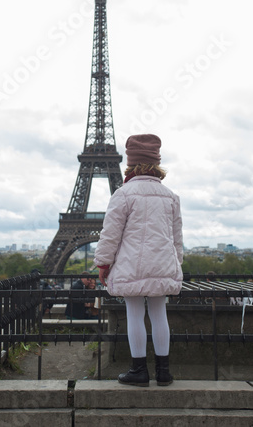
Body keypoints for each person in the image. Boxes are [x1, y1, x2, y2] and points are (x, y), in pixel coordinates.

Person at [94, 134, 183, 387]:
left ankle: (139, 370)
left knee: (134, 314)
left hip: (132, 264)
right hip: (163, 263)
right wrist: (176, 263)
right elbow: (177, 239)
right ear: (156, 162)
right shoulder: (171, 197)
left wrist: (103, 263)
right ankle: (164, 372)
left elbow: (110, 235)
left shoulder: (123, 194)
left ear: (131, 162)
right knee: (159, 313)